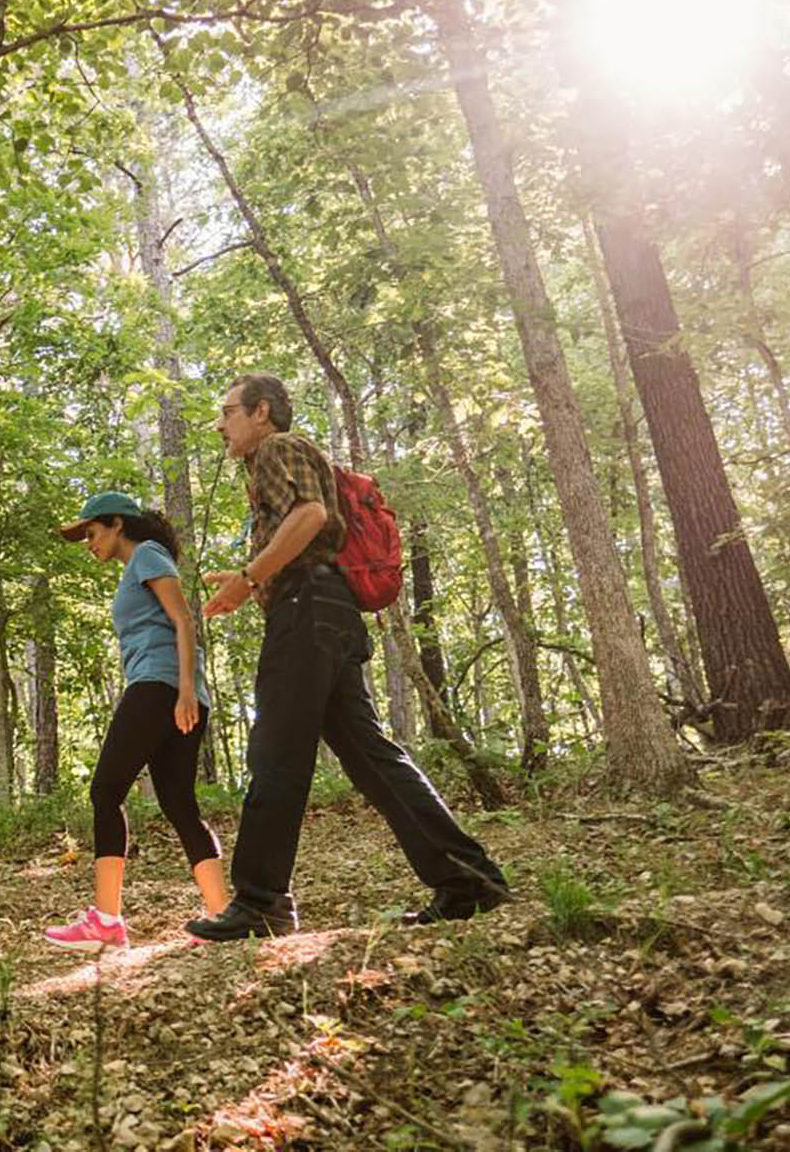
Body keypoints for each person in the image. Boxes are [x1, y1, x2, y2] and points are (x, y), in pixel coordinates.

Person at [184, 374, 507, 942]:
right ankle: (469, 881)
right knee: (370, 756)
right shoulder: (279, 456)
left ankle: (261, 902)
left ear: (261, 412)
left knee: (277, 752)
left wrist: (249, 576)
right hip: (324, 610)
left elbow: (309, 517)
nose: (221, 426)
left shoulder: (277, 448)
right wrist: (253, 582)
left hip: (308, 608)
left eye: (228, 412)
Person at [43, 491, 231, 950]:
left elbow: (184, 620)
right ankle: (224, 916)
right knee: (178, 804)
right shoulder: (138, 566)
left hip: (159, 687)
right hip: (171, 688)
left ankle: (107, 922)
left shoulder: (147, 554)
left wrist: (185, 689)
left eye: (91, 532)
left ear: (117, 525)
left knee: (106, 790)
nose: (88, 543)